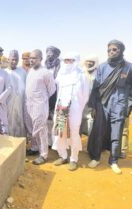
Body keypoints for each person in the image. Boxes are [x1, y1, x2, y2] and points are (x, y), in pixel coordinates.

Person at [87, 40, 132, 174]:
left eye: (114, 49)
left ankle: (113, 161)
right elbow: (95, 89)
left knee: (116, 134)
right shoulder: (102, 67)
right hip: (102, 105)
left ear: (121, 51)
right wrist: (93, 106)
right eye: (109, 50)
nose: (111, 52)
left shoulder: (128, 67)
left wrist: (128, 105)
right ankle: (96, 157)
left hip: (119, 105)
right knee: (99, 131)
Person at [52, 52, 89, 171]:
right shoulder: (61, 74)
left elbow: (85, 95)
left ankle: (73, 159)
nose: (68, 63)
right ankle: (63, 156)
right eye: (66, 60)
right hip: (61, 109)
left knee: (74, 133)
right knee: (60, 132)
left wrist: (78, 108)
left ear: (75, 61)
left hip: (75, 110)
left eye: (71, 60)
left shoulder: (81, 75)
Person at [25, 50, 56, 165]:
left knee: (41, 130)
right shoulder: (30, 71)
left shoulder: (46, 73)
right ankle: (34, 148)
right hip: (29, 105)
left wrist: (41, 99)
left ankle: (43, 155)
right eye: (30, 58)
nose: (31, 60)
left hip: (40, 106)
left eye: (34, 58)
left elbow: (52, 90)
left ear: (41, 59)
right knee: (32, 128)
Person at [5, 50, 26, 137]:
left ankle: (20, 144)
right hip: (8, 102)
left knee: (20, 121)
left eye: (16, 59)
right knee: (8, 121)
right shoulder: (4, 72)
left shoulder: (22, 72)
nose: (14, 61)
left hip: (20, 102)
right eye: (12, 59)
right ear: (8, 59)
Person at [45, 46, 61, 147]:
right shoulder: (44, 66)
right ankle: (48, 142)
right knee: (47, 120)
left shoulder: (60, 66)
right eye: (48, 52)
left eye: (52, 53)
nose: (49, 55)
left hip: (57, 96)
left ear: (56, 55)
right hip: (46, 97)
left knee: (57, 121)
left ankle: (57, 143)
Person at [80, 54, 99, 135]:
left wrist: (96, 106)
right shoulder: (81, 72)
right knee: (79, 123)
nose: (89, 63)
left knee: (91, 123)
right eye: (87, 61)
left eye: (91, 62)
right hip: (81, 103)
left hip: (92, 104)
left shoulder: (98, 73)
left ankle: (90, 145)